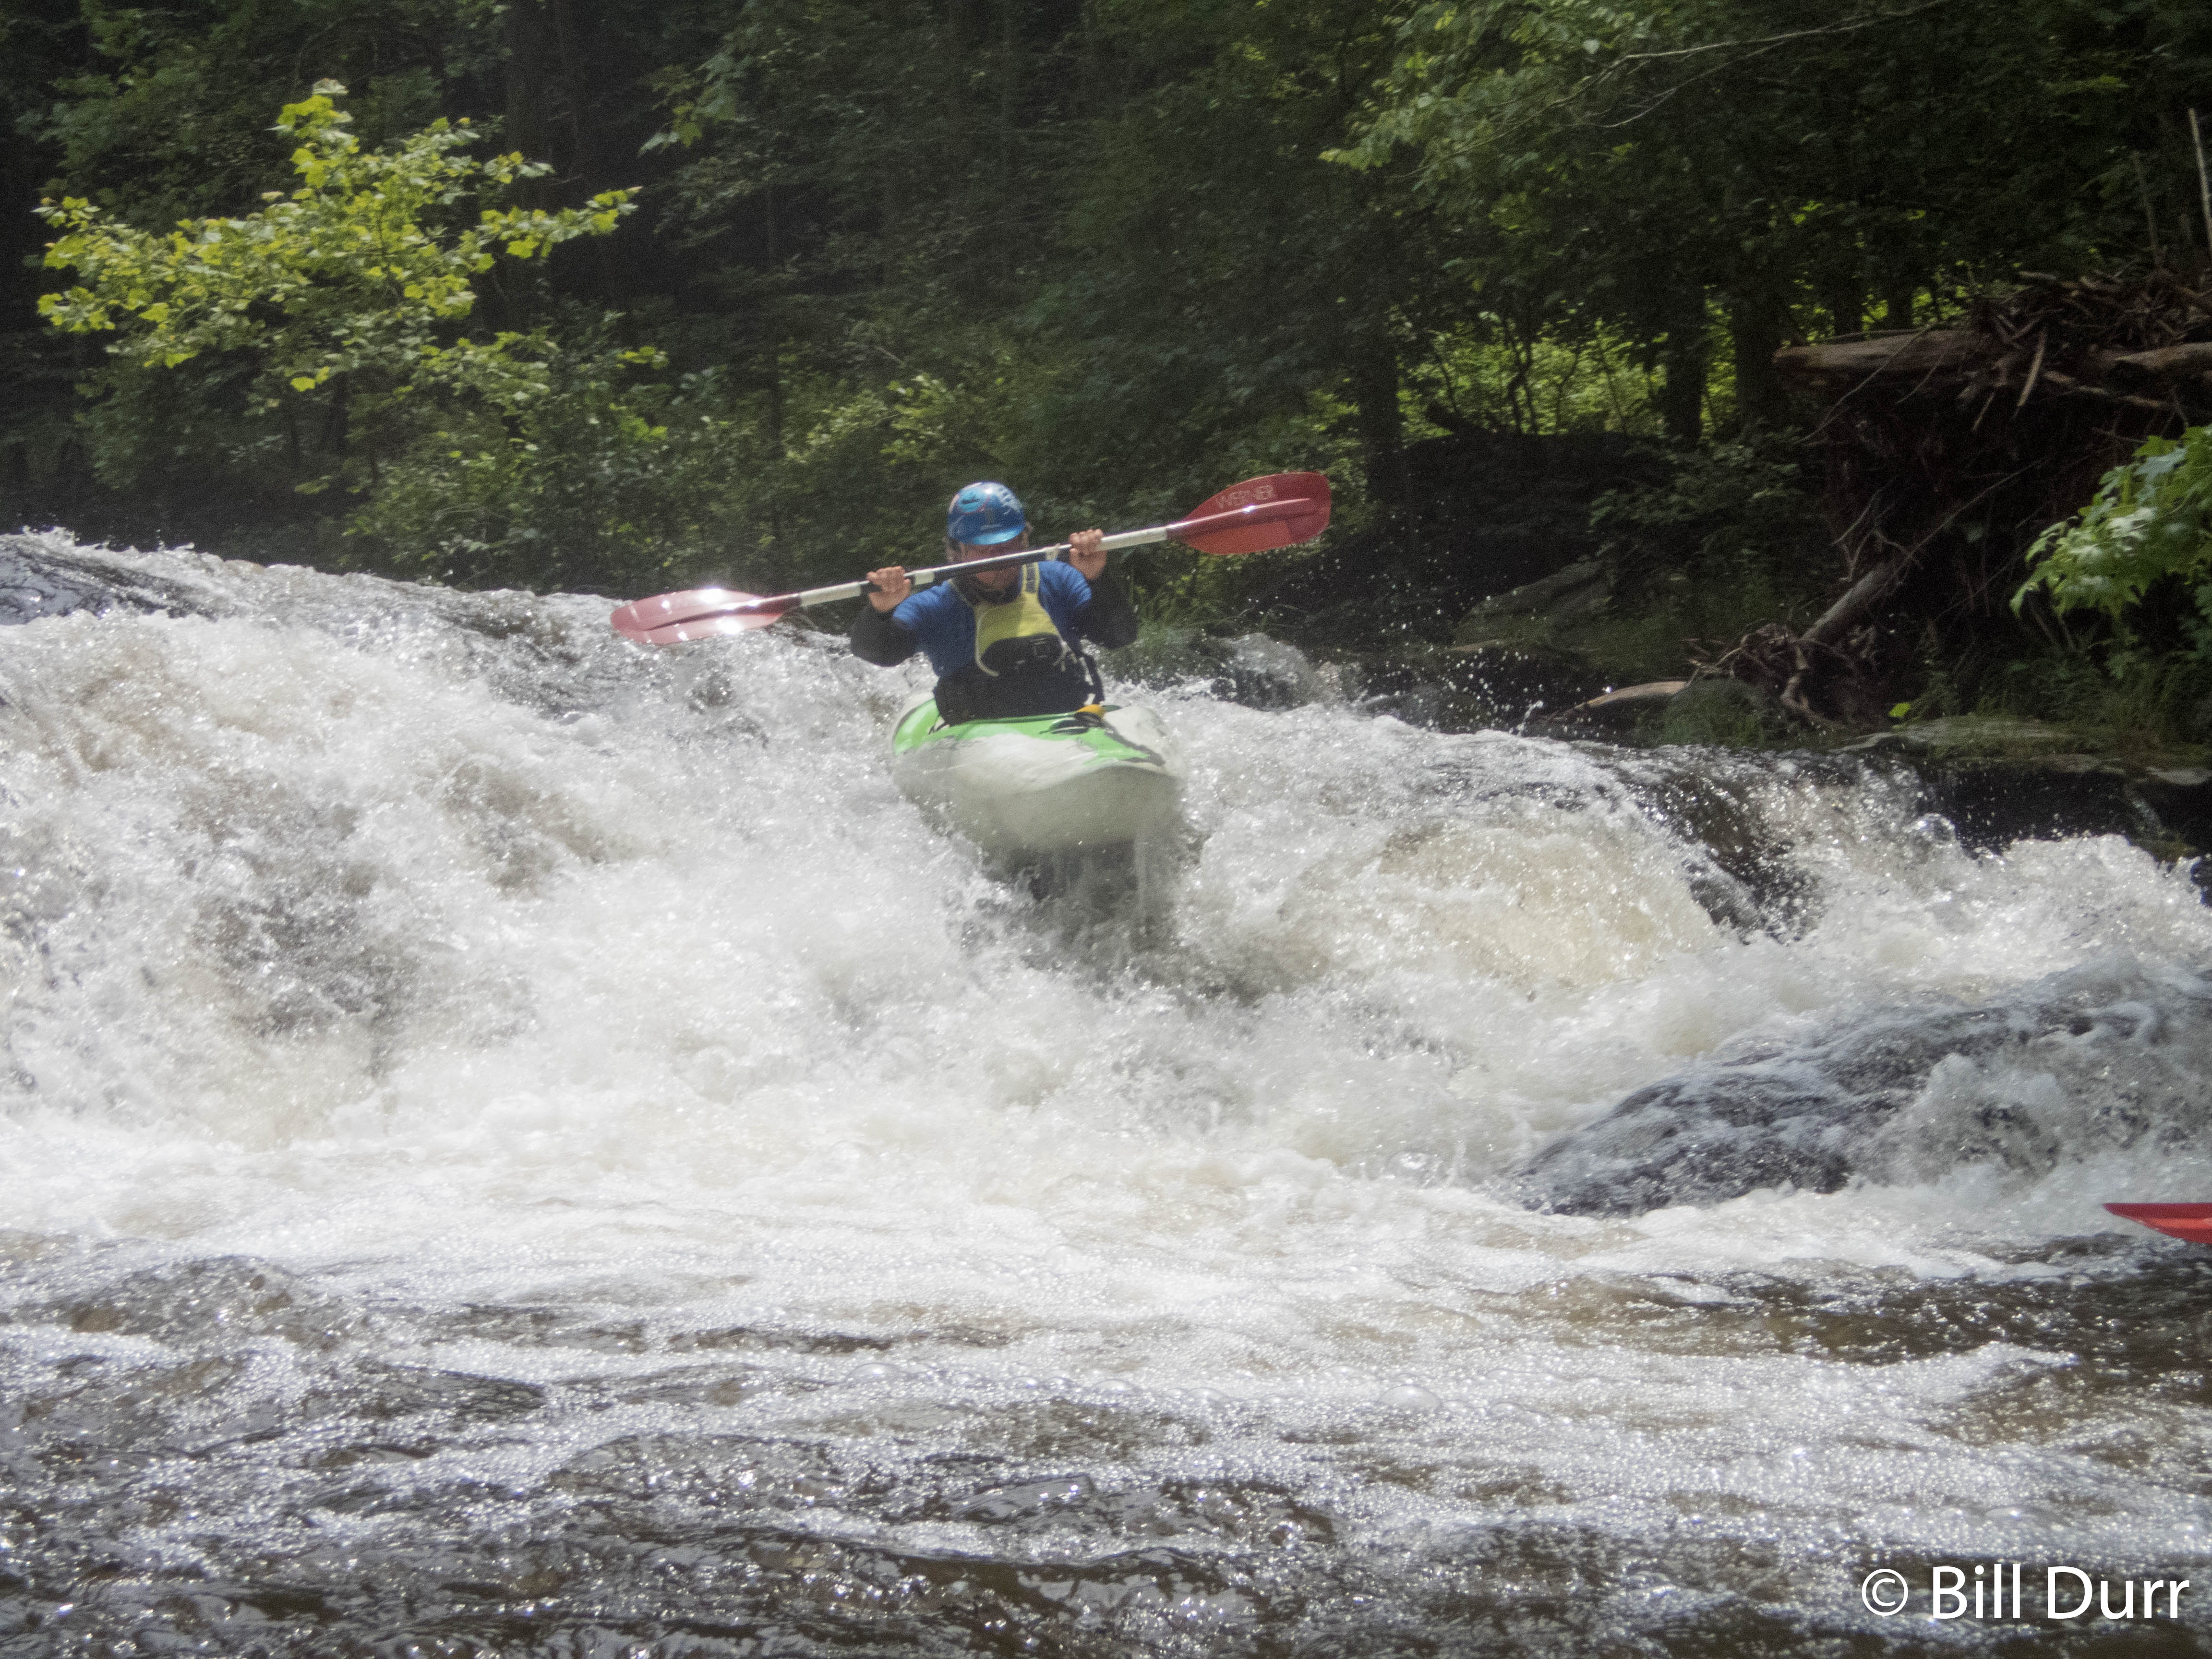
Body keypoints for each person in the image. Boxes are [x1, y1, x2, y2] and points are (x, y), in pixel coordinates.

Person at [850, 481, 1140, 724]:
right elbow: (881, 654)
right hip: (980, 739)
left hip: (1066, 721)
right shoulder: (935, 605)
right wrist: (881, 613)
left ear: (1023, 540)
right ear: (958, 552)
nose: (997, 559)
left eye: (1006, 544)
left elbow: (1119, 636)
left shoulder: (1058, 579)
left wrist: (1095, 579)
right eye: (982, 549)